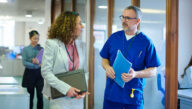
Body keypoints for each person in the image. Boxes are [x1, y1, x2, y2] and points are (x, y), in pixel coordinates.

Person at [100, 6, 161, 109]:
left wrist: (135, 74)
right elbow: (104, 59)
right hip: (112, 96)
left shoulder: (146, 42)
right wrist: (107, 67)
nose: (123, 20)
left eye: (127, 18)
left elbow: (153, 71)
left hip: (133, 97)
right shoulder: (114, 38)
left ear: (137, 21)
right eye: (122, 17)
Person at [41, 11, 89, 109]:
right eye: (79, 23)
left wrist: (82, 90)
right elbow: (46, 72)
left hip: (78, 99)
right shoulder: (52, 44)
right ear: (70, 25)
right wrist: (66, 89)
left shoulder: (81, 46)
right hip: (60, 98)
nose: (82, 27)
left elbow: (85, 71)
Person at [22, 30, 44, 109]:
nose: (36, 40)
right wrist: (35, 65)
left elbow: (43, 61)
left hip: (39, 74)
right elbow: (24, 62)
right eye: (34, 38)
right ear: (30, 38)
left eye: (37, 39)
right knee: (30, 96)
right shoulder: (25, 49)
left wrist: (39, 63)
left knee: (40, 95)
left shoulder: (41, 49)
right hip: (29, 74)